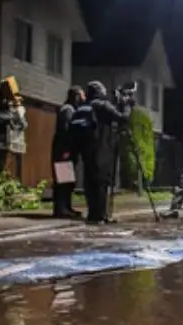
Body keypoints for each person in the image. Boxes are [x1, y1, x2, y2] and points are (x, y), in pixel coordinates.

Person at [69, 81, 133, 225]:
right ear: (99, 91)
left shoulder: (84, 107)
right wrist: (127, 104)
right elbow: (123, 118)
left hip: (86, 149)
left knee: (90, 180)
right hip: (101, 148)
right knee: (101, 181)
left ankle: (93, 213)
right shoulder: (102, 105)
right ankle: (101, 215)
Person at [51, 86, 85, 218]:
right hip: (64, 150)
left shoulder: (69, 109)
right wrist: (67, 150)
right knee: (63, 181)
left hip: (65, 149)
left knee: (68, 181)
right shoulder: (68, 110)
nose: (83, 99)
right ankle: (61, 209)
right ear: (76, 96)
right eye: (81, 96)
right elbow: (65, 131)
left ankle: (66, 207)